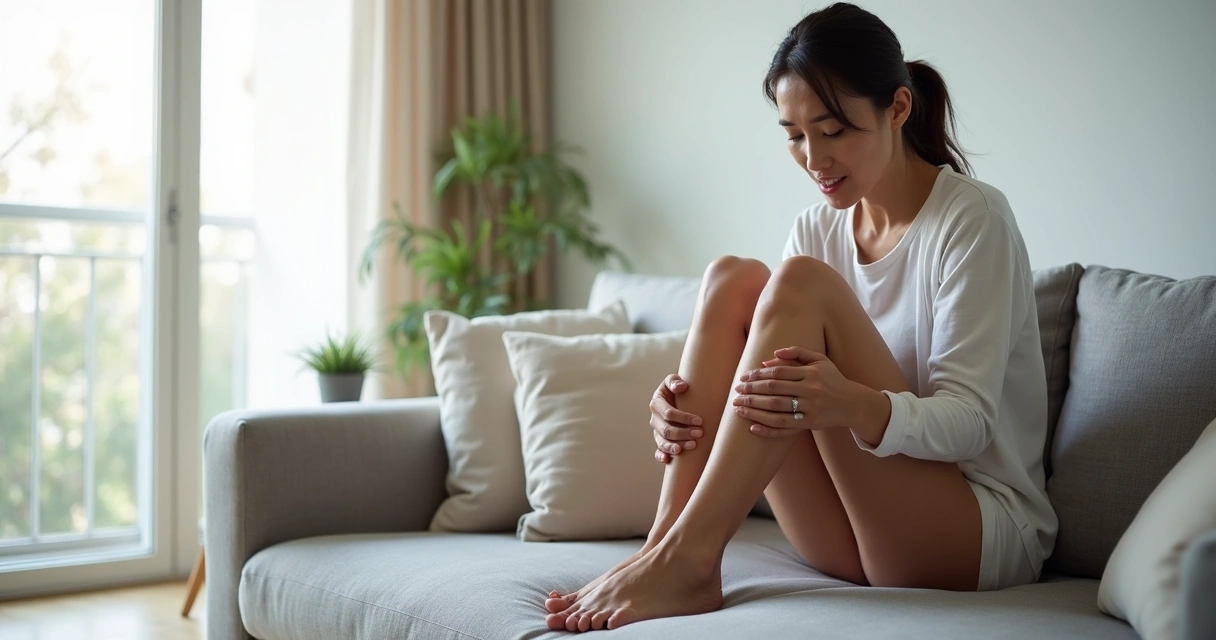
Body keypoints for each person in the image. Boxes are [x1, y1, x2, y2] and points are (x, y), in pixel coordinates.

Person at [543, 2, 1058, 632]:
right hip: (851, 535)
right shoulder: (816, 227)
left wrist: (853, 405)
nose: (813, 157)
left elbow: (972, 424)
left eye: (833, 130)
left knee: (797, 285)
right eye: (794, 134)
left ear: (897, 109)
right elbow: (762, 370)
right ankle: (664, 547)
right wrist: (684, 406)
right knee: (733, 280)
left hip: (968, 536)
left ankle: (691, 557)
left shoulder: (970, 219)